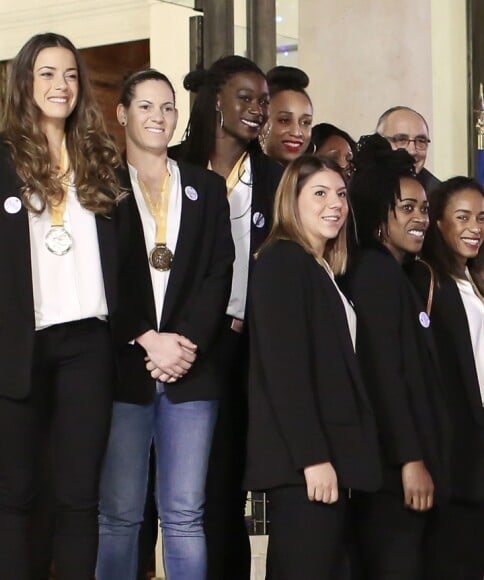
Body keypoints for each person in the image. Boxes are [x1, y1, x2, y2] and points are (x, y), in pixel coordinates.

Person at [0, 32, 122, 579]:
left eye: (70, 74)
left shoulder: (101, 160)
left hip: (87, 345)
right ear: (24, 81)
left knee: (78, 497)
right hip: (13, 346)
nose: (60, 85)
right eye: (47, 73)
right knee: (17, 492)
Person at [96, 69, 234, 580]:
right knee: (119, 515)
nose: (159, 117)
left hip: (191, 368)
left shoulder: (206, 187)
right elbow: (103, 272)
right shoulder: (100, 184)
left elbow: (219, 270)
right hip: (123, 365)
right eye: (147, 106)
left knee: (184, 515)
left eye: (168, 107)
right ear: (123, 114)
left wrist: (183, 344)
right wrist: (145, 336)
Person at [244, 155, 382, 580]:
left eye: (340, 194)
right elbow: (285, 372)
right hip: (304, 468)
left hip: (332, 461)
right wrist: (313, 458)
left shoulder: (320, 269)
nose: (335, 203)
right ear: (292, 201)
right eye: (319, 193)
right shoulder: (282, 261)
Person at [174, 54, 283, 579]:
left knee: (227, 491)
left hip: (248, 350)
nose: (258, 109)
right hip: (183, 346)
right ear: (216, 99)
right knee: (179, 492)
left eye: (264, 100)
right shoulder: (174, 168)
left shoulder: (276, 178)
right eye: (246, 98)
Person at [343, 134, 450, 579]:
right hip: (392, 477)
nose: (420, 218)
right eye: (407, 208)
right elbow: (386, 375)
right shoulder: (376, 275)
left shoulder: (397, 273)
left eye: (424, 208)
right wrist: (410, 460)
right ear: (376, 215)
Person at [406, 176, 484, 579]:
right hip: (453, 454)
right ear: (439, 223)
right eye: (463, 217)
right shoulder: (426, 280)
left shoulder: (476, 280)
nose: (475, 227)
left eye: (482, 218)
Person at [376, 105, 441, 196]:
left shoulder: (438, 196)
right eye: (401, 140)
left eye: (420, 141)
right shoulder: (355, 187)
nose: (412, 151)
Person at [261, 65, 313, 165]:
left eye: (305, 122)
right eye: (284, 120)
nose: (297, 132)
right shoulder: (241, 176)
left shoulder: (316, 178)